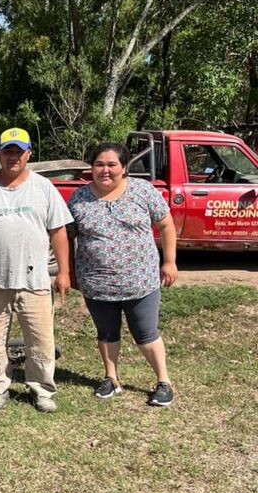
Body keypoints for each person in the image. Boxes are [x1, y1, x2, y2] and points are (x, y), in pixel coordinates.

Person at [0, 127, 72, 413]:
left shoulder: (43, 188)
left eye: (18, 151)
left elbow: (58, 231)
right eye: (7, 151)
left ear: (29, 154)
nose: (13, 156)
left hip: (34, 279)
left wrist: (63, 272)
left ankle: (42, 389)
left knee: (41, 339)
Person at [67, 142, 178, 406]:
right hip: (96, 282)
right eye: (99, 164)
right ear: (91, 168)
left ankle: (164, 382)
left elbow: (166, 225)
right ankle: (111, 378)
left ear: (124, 167)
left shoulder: (142, 190)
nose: (105, 170)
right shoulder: (79, 198)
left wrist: (169, 262)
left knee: (146, 332)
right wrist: (69, 272)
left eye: (111, 164)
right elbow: (67, 238)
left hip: (140, 281)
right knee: (106, 332)